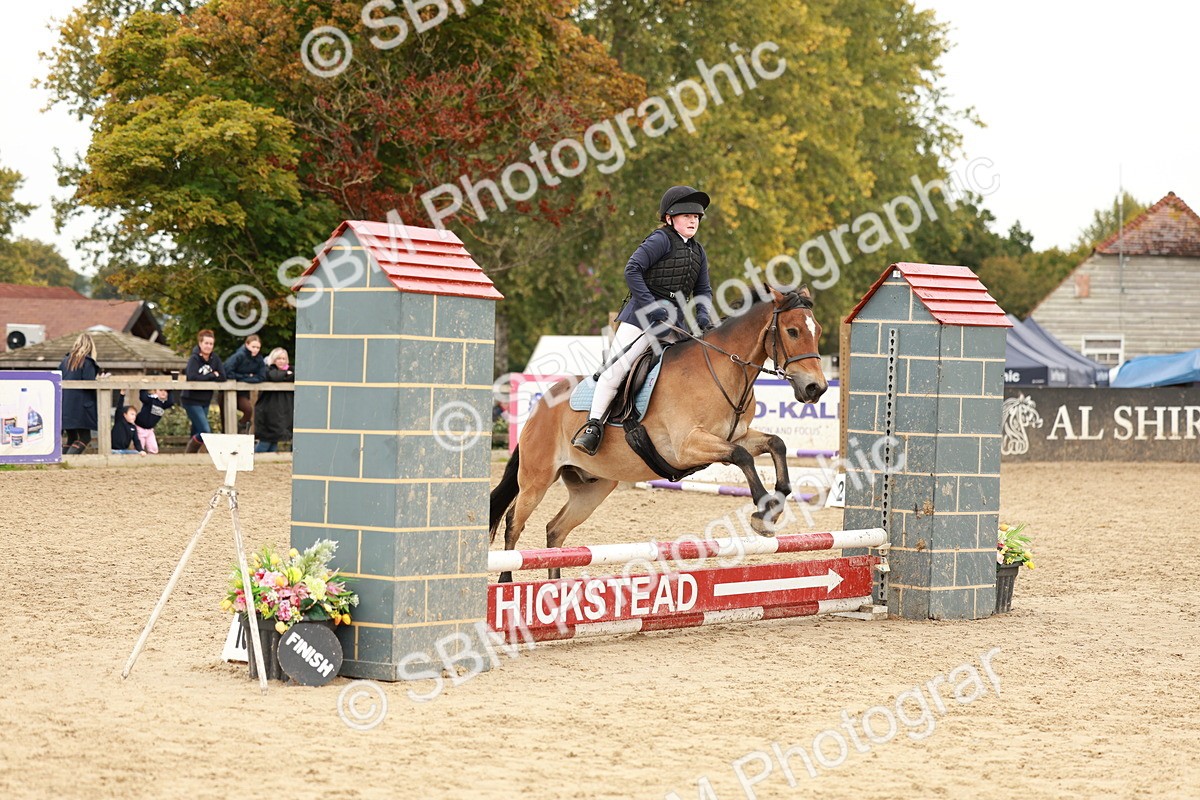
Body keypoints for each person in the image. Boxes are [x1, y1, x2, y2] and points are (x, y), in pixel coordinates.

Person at [572, 185, 715, 455]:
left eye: (697, 216)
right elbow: (632, 269)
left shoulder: (699, 252)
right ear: (669, 218)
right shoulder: (660, 240)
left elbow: (703, 290)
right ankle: (593, 426)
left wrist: (704, 317)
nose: (693, 220)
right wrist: (651, 307)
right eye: (686, 215)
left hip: (675, 323)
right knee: (616, 369)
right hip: (641, 318)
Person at [59, 333, 107, 455]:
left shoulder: (65, 361)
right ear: (90, 346)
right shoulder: (87, 362)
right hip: (81, 406)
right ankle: (68, 460)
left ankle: (62, 460)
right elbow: (89, 383)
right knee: (85, 438)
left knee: (72, 437)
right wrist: (100, 381)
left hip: (65, 405)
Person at [181, 329, 225, 454]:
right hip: (191, 399)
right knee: (205, 431)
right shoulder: (194, 359)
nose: (208, 346)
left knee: (197, 430)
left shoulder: (215, 359)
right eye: (206, 343)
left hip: (205, 400)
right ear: (200, 343)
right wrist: (212, 375)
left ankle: (190, 458)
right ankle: (189, 453)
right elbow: (192, 377)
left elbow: (223, 376)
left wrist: (212, 376)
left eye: (211, 344)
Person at [223, 334, 267, 434]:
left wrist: (245, 378)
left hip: (243, 393)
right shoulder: (239, 356)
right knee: (225, 419)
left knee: (248, 410)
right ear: (247, 345)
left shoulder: (259, 359)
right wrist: (247, 376)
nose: (255, 349)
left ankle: (241, 432)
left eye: (258, 347)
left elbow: (261, 376)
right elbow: (227, 371)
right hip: (227, 391)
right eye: (253, 347)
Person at [253, 347, 295, 453]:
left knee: (274, 444)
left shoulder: (291, 370)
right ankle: (248, 462)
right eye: (278, 358)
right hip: (268, 413)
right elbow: (274, 376)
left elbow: (295, 375)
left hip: (282, 413)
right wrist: (286, 374)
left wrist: (287, 374)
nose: (281, 361)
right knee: (265, 443)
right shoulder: (267, 370)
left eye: (284, 359)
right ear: (273, 360)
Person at [133, 388, 174, 454]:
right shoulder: (151, 400)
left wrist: (170, 390)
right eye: (160, 390)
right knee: (140, 447)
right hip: (140, 428)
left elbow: (171, 402)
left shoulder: (163, 404)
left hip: (150, 430)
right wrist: (144, 387)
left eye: (166, 391)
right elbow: (143, 398)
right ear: (155, 391)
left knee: (153, 448)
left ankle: (152, 462)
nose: (163, 392)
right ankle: (137, 462)